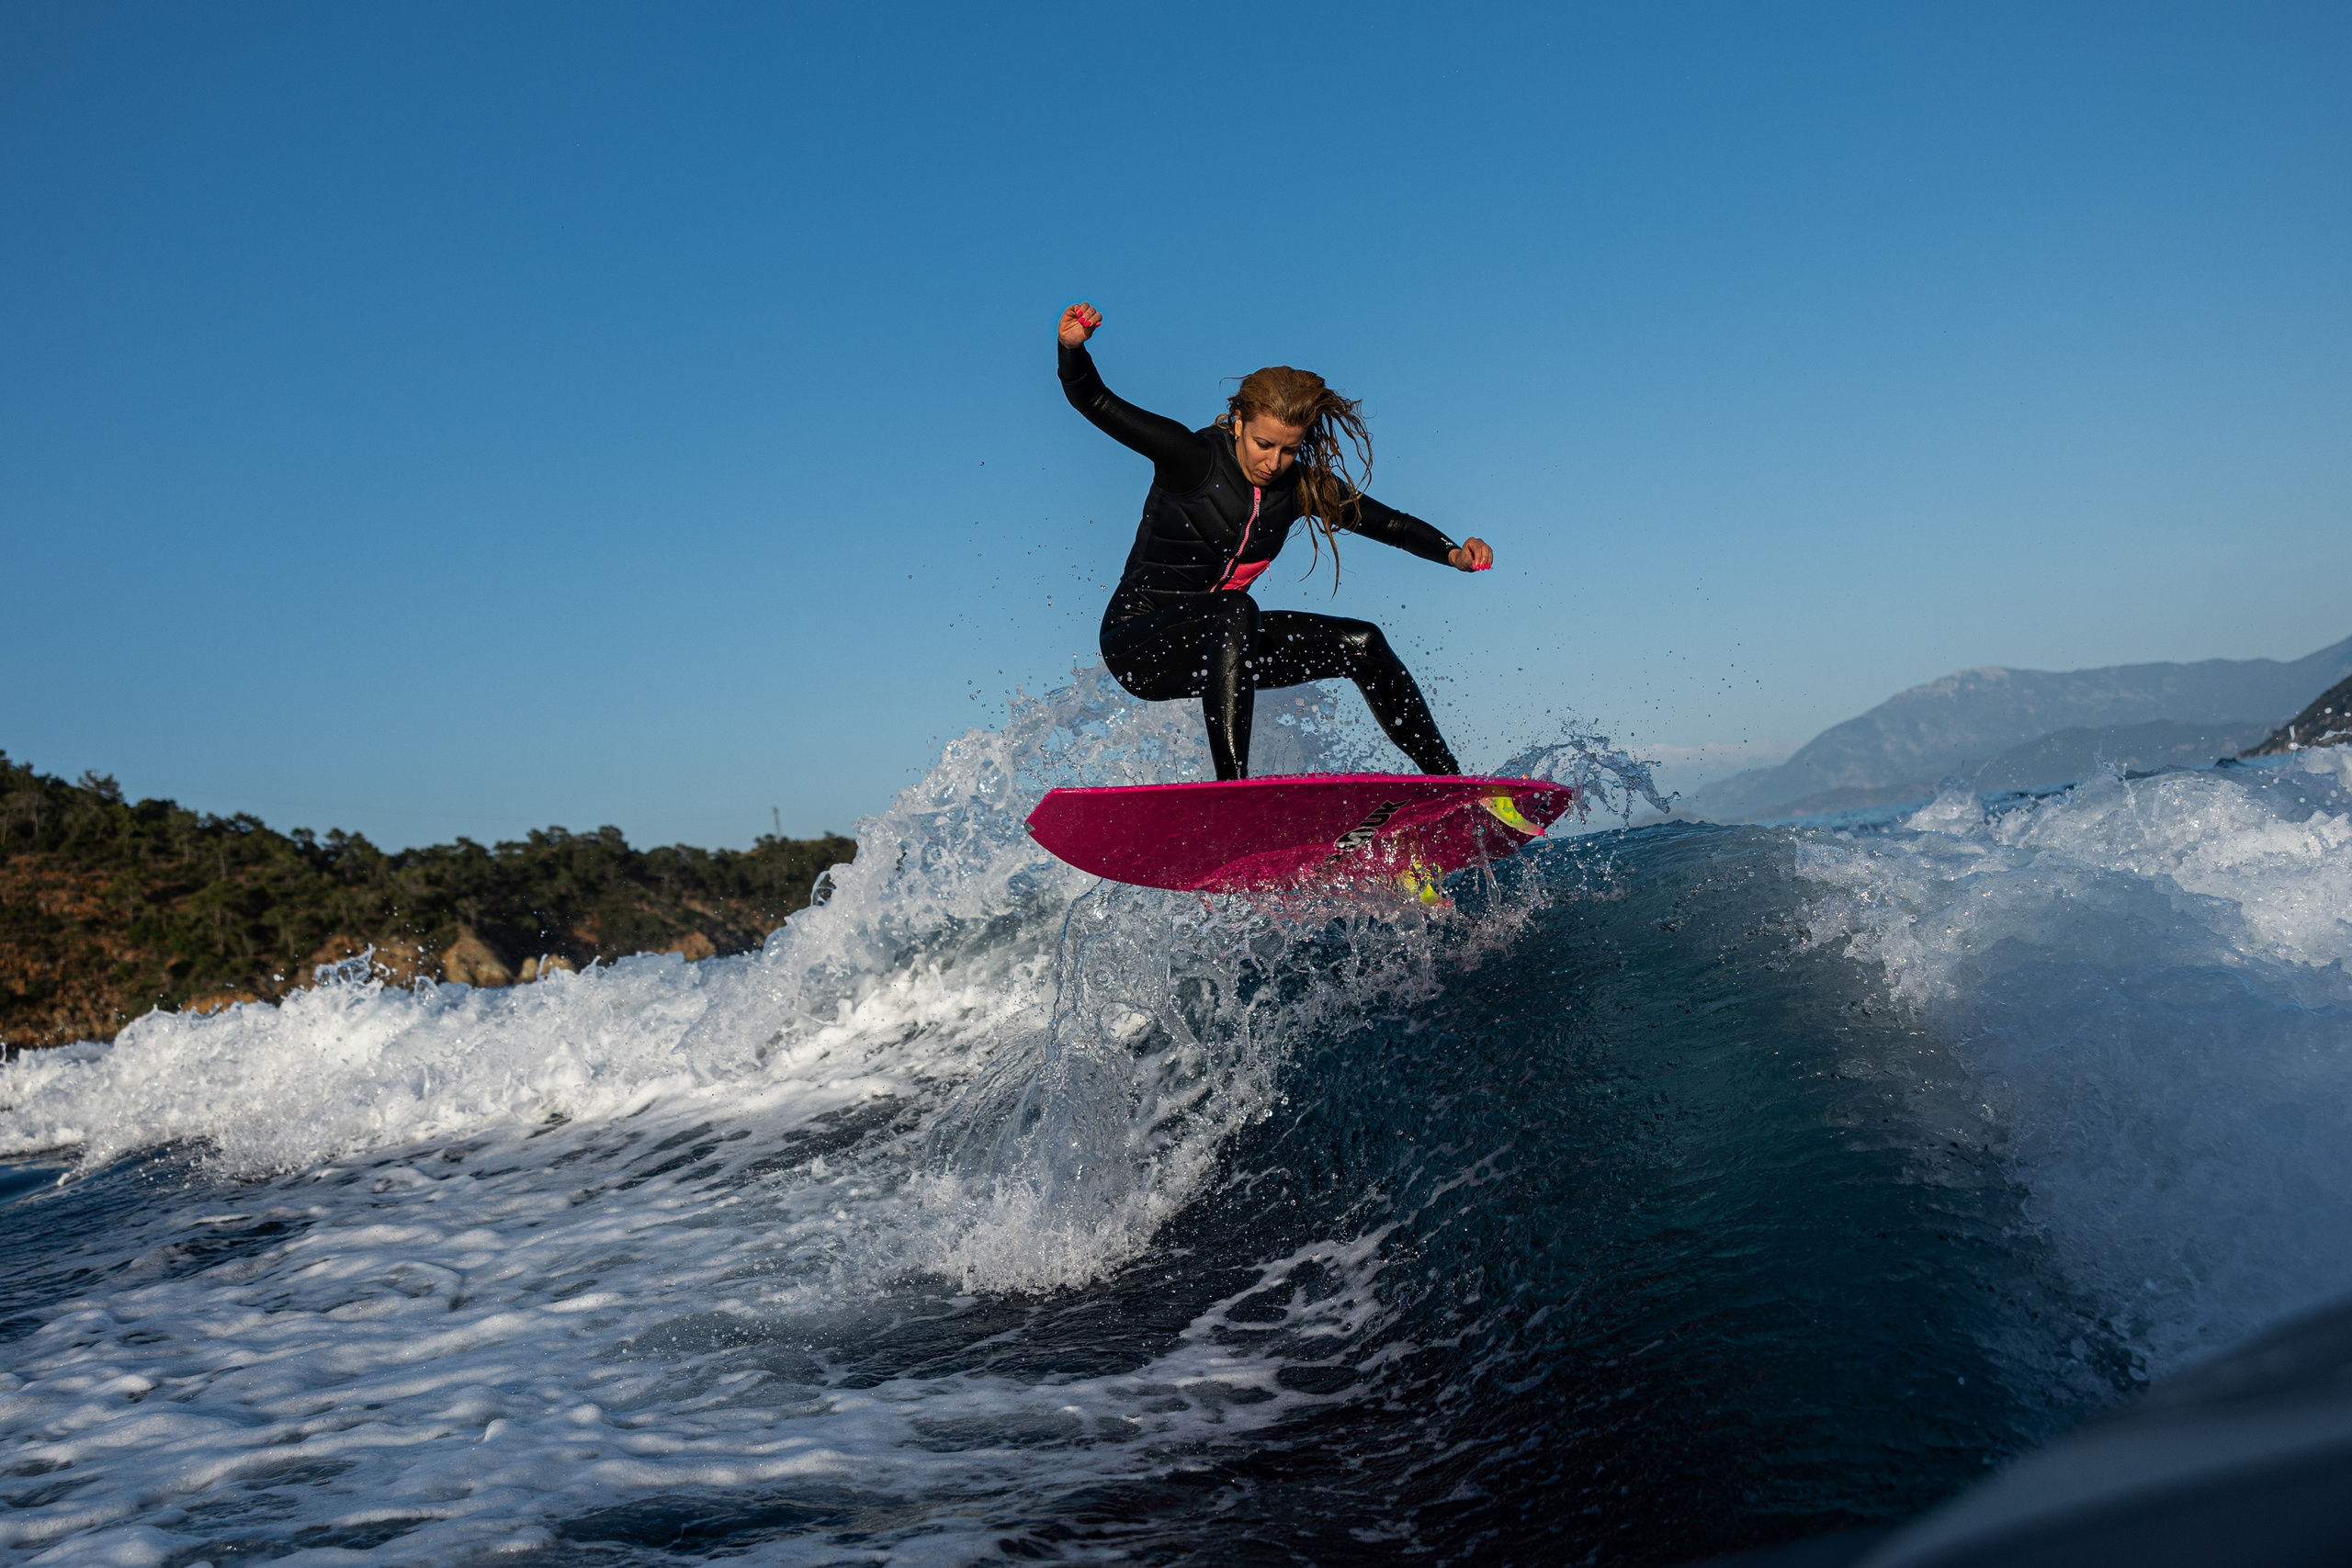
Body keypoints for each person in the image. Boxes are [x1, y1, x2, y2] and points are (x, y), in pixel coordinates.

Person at [1057, 300, 1494, 782]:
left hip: (1226, 649)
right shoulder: (1191, 457)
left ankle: (1453, 785)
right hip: (1140, 644)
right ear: (1239, 422)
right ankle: (1233, 792)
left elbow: (1389, 524)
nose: (1273, 461)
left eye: (1288, 449)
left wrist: (1453, 553)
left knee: (1363, 642)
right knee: (1235, 609)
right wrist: (1071, 349)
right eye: (1264, 444)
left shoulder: (1300, 486)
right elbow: (1093, 400)